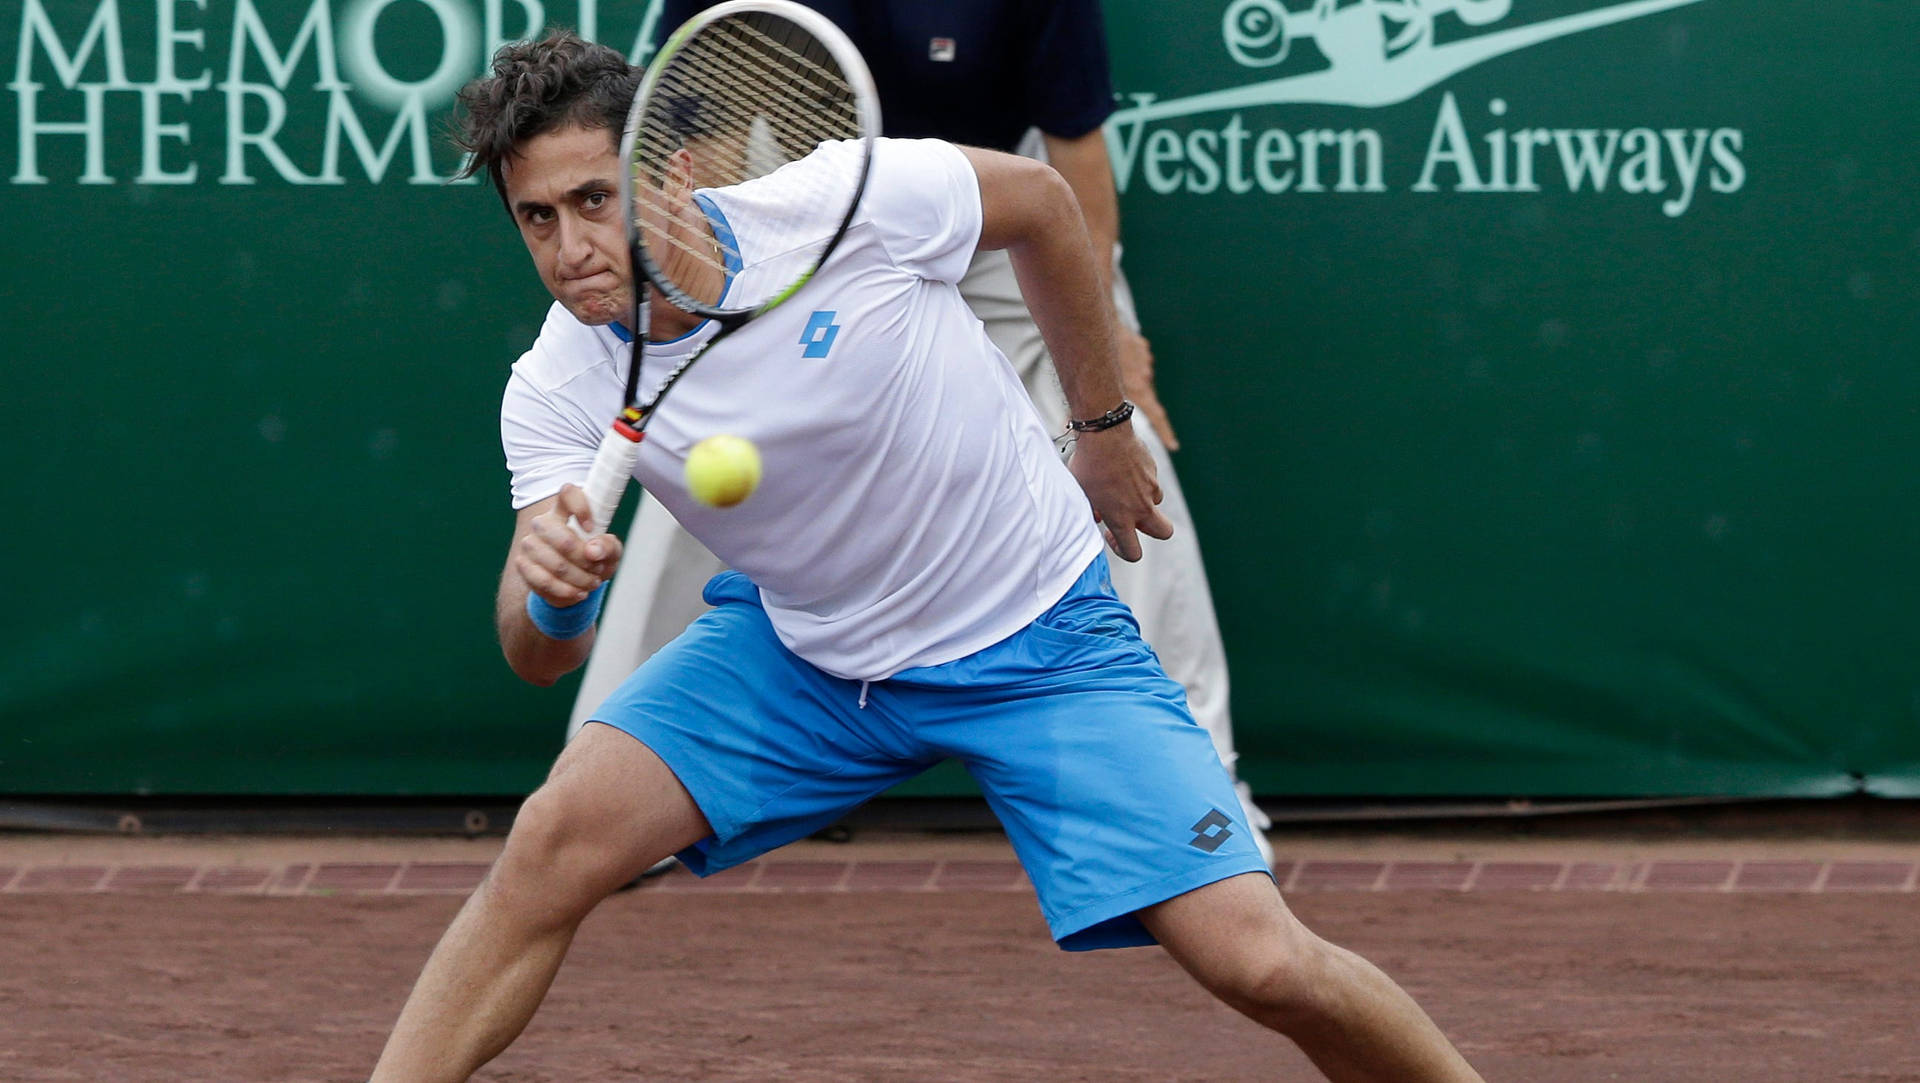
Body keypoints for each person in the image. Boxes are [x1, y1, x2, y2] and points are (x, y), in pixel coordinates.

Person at [369, 32, 1481, 1082]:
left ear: (669, 171)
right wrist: (549, 592)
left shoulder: (849, 200)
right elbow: (539, 660)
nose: (570, 250)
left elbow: (1045, 206)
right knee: (552, 841)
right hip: (807, 658)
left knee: (1266, 966)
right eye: (536, 219)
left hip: (1038, 637)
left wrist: (1099, 430)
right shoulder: (554, 386)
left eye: (592, 202)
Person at [573, 0, 1272, 867]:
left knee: (1123, 444)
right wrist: (705, 297)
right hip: (790, 208)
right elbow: (699, 115)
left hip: (990, 212)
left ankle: (1211, 795)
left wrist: (1109, 354)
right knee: (700, 453)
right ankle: (604, 809)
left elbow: (1072, 147)